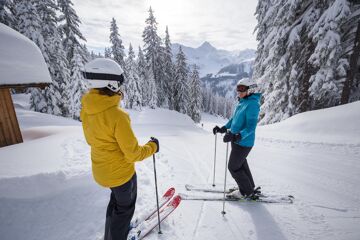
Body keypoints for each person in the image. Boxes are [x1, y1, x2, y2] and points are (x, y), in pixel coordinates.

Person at [80, 58, 159, 240]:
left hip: (101, 171)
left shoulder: (87, 109)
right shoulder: (117, 115)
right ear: (111, 83)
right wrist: (152, 147)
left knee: (116, 203)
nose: (121, 86)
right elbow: (133, 154)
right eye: (119, 82)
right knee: (124, 208)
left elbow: (90, 140)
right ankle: (118, 235)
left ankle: (114, 232)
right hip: (121, 175)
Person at [213, 77, 261, 200]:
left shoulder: (252, 104)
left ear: (250, 90)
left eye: (242, 89)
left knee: (233, 167)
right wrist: (223, 128)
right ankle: (249, 187)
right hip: (236, 140)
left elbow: (251, 127)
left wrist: (237, 135)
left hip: (244, 142)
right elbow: (234, 120)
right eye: (238, 89)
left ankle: (246, 192)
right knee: (241, 164)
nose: (239, 91)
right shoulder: (242, 102)